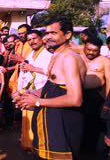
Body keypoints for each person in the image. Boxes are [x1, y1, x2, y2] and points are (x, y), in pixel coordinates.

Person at [15, 17, 86, 160]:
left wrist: (37, 102)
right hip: (50, 120)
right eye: (47, 33)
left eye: (53, 33)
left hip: (63, 122)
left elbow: (75, 99)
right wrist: (30, 94)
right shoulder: (56, 55)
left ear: (67, 35)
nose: (48, 37)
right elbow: (53, 87)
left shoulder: (70, 58)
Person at [18, 30, 52, 151]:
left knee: (40, 121)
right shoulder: (29, 54)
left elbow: (53, 72)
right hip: (29, 91)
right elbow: (26, 71)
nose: (32, 41)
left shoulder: (49, 55)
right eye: (29, 40)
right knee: (28, 120)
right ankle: (30, 145)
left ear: (41, 39)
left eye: (34, 38)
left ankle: (39, 147)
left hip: (42, 93)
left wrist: (33, 68)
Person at [80, 37, 110, 156]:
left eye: (95, 50)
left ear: (100, 50)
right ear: (84, 47)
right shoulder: (77, 58)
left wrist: (108, 102)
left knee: (94, 127)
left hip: (97, 97)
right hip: (79, 95)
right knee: (79, 125)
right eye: (88, 49)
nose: (91, 52)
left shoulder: (105, 61)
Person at [8, 24, 32, 97]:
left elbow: (35, 63)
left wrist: (21, 59)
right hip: (18, 73)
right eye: (19, 34)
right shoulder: (19, 44)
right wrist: (13, 59)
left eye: (23, 33)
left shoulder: (32, 44)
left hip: (29, 75)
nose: (21, 35)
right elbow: (17, 62)